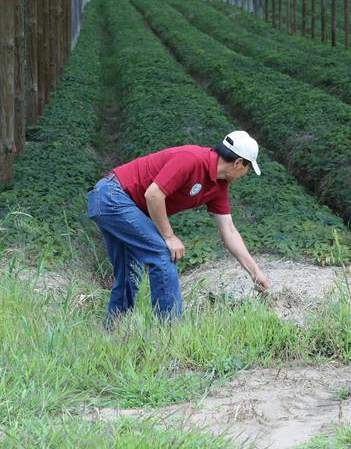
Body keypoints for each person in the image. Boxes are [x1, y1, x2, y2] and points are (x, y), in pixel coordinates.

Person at [87, 131, 269, 324]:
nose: (245, 173)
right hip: (111, 196)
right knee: (162, 252)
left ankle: (114, 329)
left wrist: (255, 273)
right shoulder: (191, 159)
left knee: (129, 270)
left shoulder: (218, 187)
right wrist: (169, 236)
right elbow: (153, 195)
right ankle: (170, 331)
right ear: (238, 163)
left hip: (119, 204)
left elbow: (229, 231)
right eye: (248, 168)